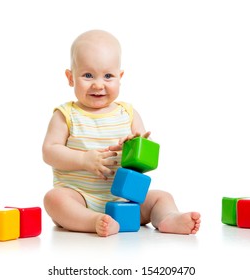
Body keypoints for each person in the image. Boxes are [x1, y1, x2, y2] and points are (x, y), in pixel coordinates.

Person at [42, 30, 201, 237]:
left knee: (161, 197)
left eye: (108, 76)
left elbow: (146, 155)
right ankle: (94, 221)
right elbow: (49, 151)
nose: (98, 84)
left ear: (120, 77)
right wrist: (83, 159)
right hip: (79, 198)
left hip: (124, 199)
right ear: (70, 77)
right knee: (54, 199)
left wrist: (134, 146)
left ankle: (168, 217)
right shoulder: (65, 114)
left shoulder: (128, 113)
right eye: (88, 75)